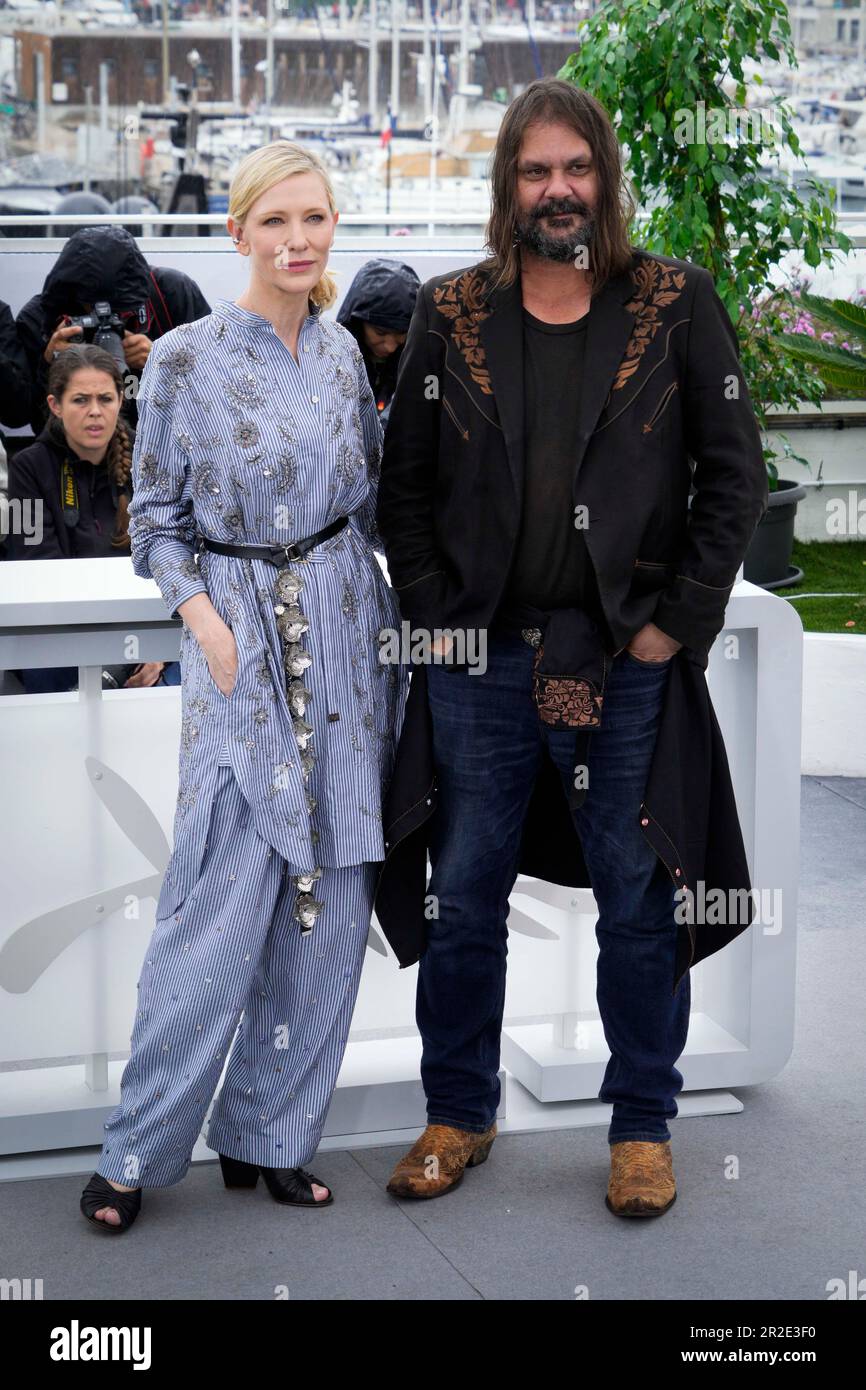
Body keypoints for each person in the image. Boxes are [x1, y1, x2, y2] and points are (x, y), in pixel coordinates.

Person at [375, 78, 768, 1214]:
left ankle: (640, 1126)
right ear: (508, 186)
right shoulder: (449, 314)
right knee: (464, 898)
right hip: (479, 664)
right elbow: (403, 495)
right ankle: (457, 1113)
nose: (558, 189)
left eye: (575, 168)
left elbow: (732, 480)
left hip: (622, 662)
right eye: (535, 170)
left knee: (638, 900)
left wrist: (666, 631)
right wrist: (444, 621)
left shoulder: (675, 302)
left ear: (603, 177)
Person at [79, 139, 408, 1233]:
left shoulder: (345, 361)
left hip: (345, 634)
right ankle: (134, 1149)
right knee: (214, 903)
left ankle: (270, 1135)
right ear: (238, 233)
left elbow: (367, 506)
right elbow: (155, 522)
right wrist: (207, 623)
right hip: (236, 646)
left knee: (330, 904)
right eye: (276, 222)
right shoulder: (179, 359)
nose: (298, 240)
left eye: (314, 220)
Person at [4, 343, 171, 693]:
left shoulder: (148, 462)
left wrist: (158, 651)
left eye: (105, 399)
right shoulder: (28, 468)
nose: (95, 412)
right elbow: (34, 567)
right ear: (56, 406)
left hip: (144, 633)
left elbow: (170, 562)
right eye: (81, 400)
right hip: (57, 640)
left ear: (120, 401)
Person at [16, 225, 211, 439]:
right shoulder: (40, 319)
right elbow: (35, 424)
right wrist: (49, 366)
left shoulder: (170, 294)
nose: (106, 320)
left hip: (163, 444)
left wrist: (164, 360)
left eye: (119, 314)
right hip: (78, 456)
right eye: (93, 313)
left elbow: (218, 386)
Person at [335, 258, 420, 426]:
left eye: (402, 333)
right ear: (356, 324)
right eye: (380, 332)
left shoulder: (422, 363)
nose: (390, 346)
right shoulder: (330, 360)